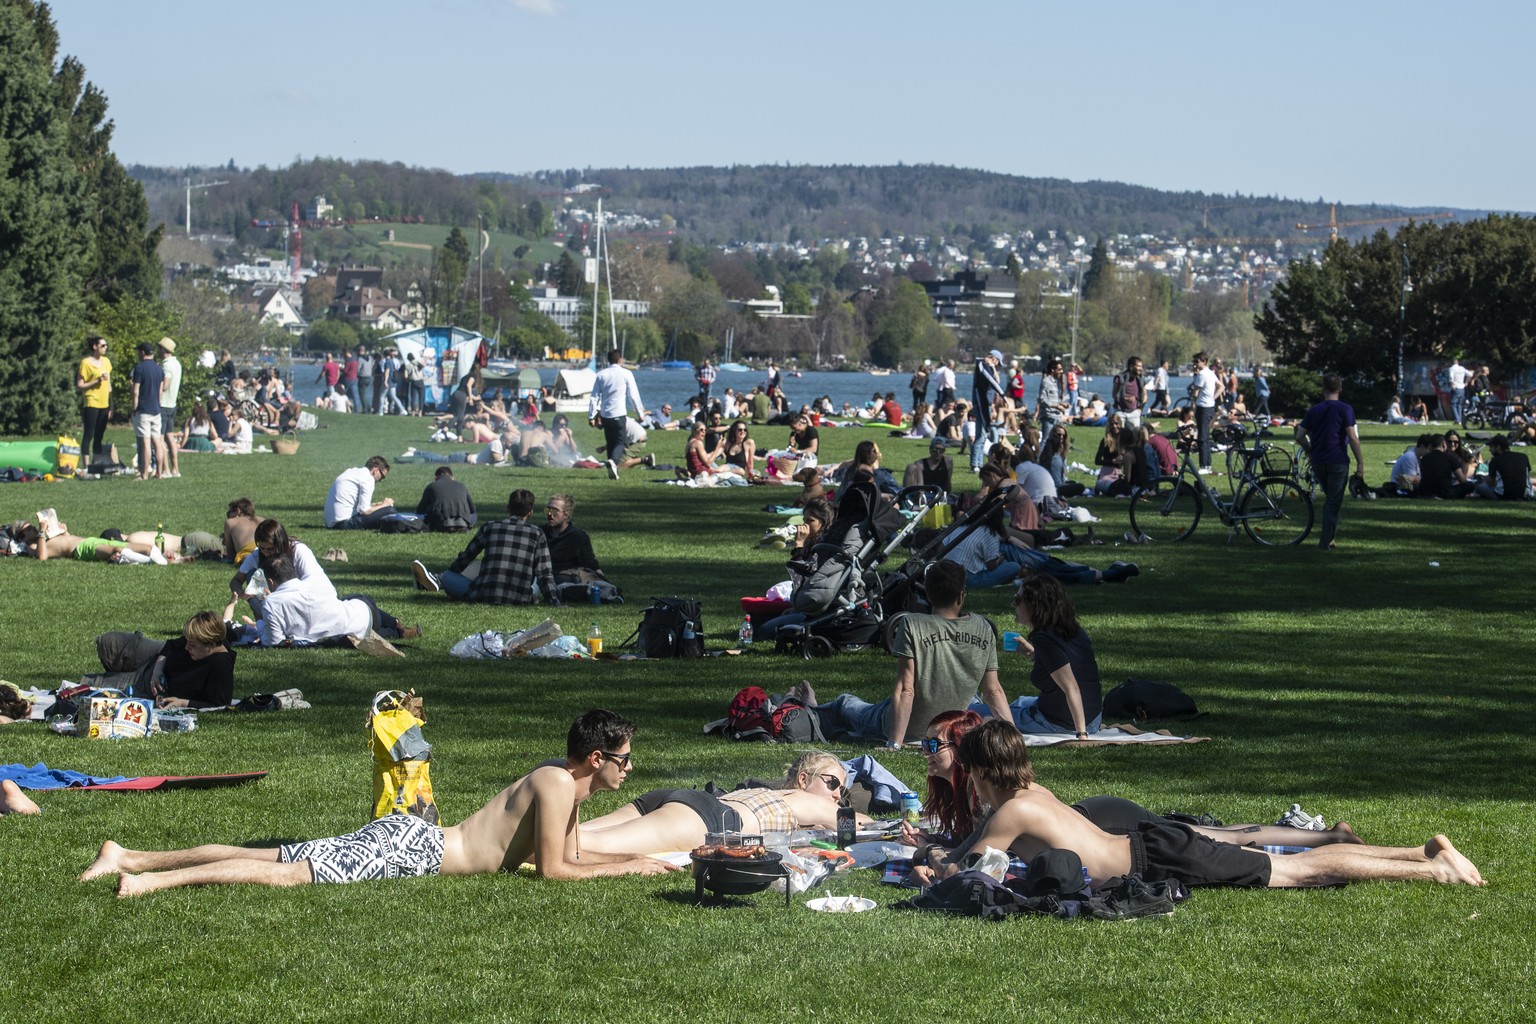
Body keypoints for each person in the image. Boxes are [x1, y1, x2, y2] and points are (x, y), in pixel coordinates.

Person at [81, 710, 678, 896]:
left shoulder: (566, 790)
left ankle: (130, 853)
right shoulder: (553, 783)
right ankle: (147, 880)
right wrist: (637, 865)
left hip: (412, 841)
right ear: (596, 758)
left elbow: (570, 857)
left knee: (271, 854)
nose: (630, 770)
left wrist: (646, 865)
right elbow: (554, 871)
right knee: (289, 872)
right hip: (413, 848)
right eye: (625, 759)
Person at [913, 719, 1485, 890]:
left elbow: (966, 871)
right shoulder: (1030, 792)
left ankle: (1434, 870)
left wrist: (929, 866)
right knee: (1274, 857)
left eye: (971, 773)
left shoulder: (1008, 811)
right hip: (1152, 847)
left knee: (1292, 872)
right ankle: (1419, 849)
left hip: (1155, 858)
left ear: (984, 771)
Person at [807, 560, 1013, 748]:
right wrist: (1014, 737)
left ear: (929, 595)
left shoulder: (913, 624)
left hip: (905, 726)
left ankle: (813, 709)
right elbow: (993, 691)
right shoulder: (983, 627)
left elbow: (906, 689)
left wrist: (895, 742)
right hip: (950, 728)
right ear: (961, 595)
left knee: (846, 703)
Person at [578, 750, 867, 855]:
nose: (836, 795)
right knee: (588, 846)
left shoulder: (771, 793)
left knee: (578, 831)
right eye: (831, 783)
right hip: (706, 817)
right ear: (804, 779)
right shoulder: (808, 801)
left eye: (841, 791)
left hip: (680, 799)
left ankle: (534, 821)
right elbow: (867, 826)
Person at [414, 489, 559, 605]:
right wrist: (554, 601)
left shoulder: (490, 527)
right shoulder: (537, 533)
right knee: (536, 582)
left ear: (508, 508)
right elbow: (544, 574)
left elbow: (466, 557)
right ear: (530, 513)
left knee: (447, 576)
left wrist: (453, 574)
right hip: (520, 598)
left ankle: (436, 581)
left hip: (484, 594)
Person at [1004, 574, 1101, 737]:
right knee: (1019, 701)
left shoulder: (1044, 639)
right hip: (1094, 717)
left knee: (982, 711)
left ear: (1034, 605)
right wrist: (1032, 653)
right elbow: (1063, 665)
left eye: (1018, 600)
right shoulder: (1072, 630)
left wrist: (1081, 734)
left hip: (1061, 724)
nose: (1013, 604)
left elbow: (1072, 687)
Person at [254, 555, 419, 647]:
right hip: (362, 614)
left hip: (346, 635)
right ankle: (398, 627)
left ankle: (397, 628)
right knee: (352, 601)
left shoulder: (272, 603)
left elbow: (273, 642)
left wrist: (260, 621)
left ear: (270, 582)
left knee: (346, 607)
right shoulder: (315, 580)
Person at [1295, 373, 1366, 549]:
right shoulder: (1345, 409)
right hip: (1338, 460)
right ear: (1340, 389)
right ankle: (1325, 542)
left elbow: (1299, 435)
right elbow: (1352, 437)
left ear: (1323, 390)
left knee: (1332, 500)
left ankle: (1331, 537)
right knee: (1333, 502)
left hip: (1319, 461)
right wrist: (1360, 463)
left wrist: (1310, 452)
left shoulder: (1314, 410)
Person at [588, 349, 651, 479]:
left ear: (608, 360)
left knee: (610, 443)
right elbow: (633, 395)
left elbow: (594, 397)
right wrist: (640, 413)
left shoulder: (601, 374)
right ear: (620, 359)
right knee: (620, 443)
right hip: (619, 415)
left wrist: (592, 415)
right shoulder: (626, 373)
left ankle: (613, 471)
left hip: (605, 416)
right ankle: (613, 462)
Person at [324, 456, 396, 530]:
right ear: (376, 470)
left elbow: (357, 506)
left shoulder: (352, 471)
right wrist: (384, 505)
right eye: (382, 476)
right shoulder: (368, 479)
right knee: (390, 510)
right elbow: (364, 511)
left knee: (384, 509)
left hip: (331, 523)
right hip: (343, 524)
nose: (380, 480)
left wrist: (377, 505)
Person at [129, 342, 167, 482]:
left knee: (145, 442)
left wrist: (134, 408)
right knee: (157, 442)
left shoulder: (139, 368)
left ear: (143, 353)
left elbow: (135, 391)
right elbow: (160, 392)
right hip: (156, 409)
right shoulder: (159, 369)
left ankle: (144, 474)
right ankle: (159, 473)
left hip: (144, 409)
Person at [77, 335, 113, 469]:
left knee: (99, 435)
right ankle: (86, 467)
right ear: (95, 347)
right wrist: (96, 381)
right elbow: (80, 384)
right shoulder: (86, 363)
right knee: (89, 434)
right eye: (103, 345)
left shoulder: (107, 362)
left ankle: (96, 465)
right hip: (92, 401)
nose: (106, 348)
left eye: (106, 345)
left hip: (104, 402)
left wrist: (111, 405)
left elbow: (109, 385)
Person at [971, 349, 1006, 472]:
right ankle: (976, 464)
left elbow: (998, 381)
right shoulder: (982, 365)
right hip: (982, 404)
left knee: (983, 435)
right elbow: (994, 382)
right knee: (981, 436)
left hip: (987, 404)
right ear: (994, 358)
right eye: (997, 362)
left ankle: (979, 464)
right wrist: (1003, 395)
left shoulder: (989, 367)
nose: (997, 365)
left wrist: (993, 368)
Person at [416, 466, 478, 533]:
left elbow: (420, 510)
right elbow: (473, 509)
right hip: (463, 523)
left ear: (436, 477)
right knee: (474, 515)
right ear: (452, 477)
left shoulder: (431, 486)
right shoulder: (462, 486)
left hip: (440, 524)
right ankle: (465, 526)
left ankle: (447, 526)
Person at [1191, 351, 1223, 472]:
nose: (1195, 364)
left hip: (1203, 408)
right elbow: (1221, 386)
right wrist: (1213, 398)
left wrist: (1194, 401)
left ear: (1203, 361)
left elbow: (1195, 392)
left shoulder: (1202, 374)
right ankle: (1207, 465)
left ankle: (1204, 466)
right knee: (1205, 436)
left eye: (1196, 361)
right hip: (1210, 407)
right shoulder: (1210, 373)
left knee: (1202, 437)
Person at [1475, 434, 1531, 500]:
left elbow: (1491, 483)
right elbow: (1527, 477)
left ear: (1498, 447)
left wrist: (1485, 479)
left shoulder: (1496, 460)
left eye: (1491, 447)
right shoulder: (1523, 456)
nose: (1490, 450)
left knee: (1479, 486)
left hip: (1504, 495)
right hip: (1524, 494)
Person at [157, 338, 182, 478]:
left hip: (163, 404)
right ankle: (175, 469)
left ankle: (165, 470)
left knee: (160, 439)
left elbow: (165, 385)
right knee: (170, 438)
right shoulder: (177, 363)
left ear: (163, 350)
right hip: (172, 404)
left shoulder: (166, 365)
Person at [222, 498, 266, 563]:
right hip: (266, 548)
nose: (228, 517)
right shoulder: (263, 520)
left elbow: (231, 556)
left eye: (229, 513)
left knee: (248, 560)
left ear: (237, 511)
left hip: (248, 553)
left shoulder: (230, 522)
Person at [1112, 355, 1145, 429]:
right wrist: (1124, 399)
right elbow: (1114, 394)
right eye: (1138, 366)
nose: (1141, 369)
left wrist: (1140, 408)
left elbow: (1145, 395)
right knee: (1118, 436)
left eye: (1141, 366)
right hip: (1120, 411)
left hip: (1134, 412)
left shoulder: (1141, 379)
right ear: (1131, 366)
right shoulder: (1119, 378)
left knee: (1135, 437)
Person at [1447, 356, 1472, 425]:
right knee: (1459, 404)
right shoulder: (1462, 368)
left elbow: (1451, 378)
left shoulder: (1451, 369)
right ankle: (1460, 418)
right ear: (1457, 362)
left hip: (1456, 387)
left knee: (1453, 404)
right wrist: (1466, 382)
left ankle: (1457, 419)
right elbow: (1470, 374)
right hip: (1462, 387)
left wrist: (1452, 384)